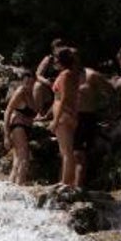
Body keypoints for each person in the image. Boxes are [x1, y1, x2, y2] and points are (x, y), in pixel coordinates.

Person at [72, 67, 111, 188]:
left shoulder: (92, 75)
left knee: (80, 154)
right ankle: (69, 186)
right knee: (69, 153)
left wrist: (109, 112)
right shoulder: (66, 74)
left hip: (86, 117)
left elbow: (110, 90)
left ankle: (78, 189)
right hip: (70, 118)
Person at [50, 47, 83, 187]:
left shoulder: (65, 75)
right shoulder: (72, 74)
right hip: (68, 114)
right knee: (67, 150)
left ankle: (65, 183)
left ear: (61, 60)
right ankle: (68, 182)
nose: (54, 62)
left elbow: (62, 98)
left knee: (66, 151)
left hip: (63, 115)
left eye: (56, 59)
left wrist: (55, 120)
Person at [3, 69, 38, 185]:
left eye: (31, 82)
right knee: (24, 157)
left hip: (25, 127)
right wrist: (6, 136)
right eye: (26, 82)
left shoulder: (32, 94)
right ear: (22, 82)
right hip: (18, 126)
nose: (28, 85)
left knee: (17, 160)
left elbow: (32, 114)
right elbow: (8, 111)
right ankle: (20, 186)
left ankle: (11, 186)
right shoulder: (20, 91)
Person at [33, 39, 66, 116]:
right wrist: (48, 83)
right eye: (57, 47)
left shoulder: (67, 60)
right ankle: (40, 112)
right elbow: (38, 75)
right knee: (37, 86)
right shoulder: (49, 59)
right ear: (53, 49)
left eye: (61, 47)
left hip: (61, 87)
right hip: (48, 87)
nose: (59, 50)